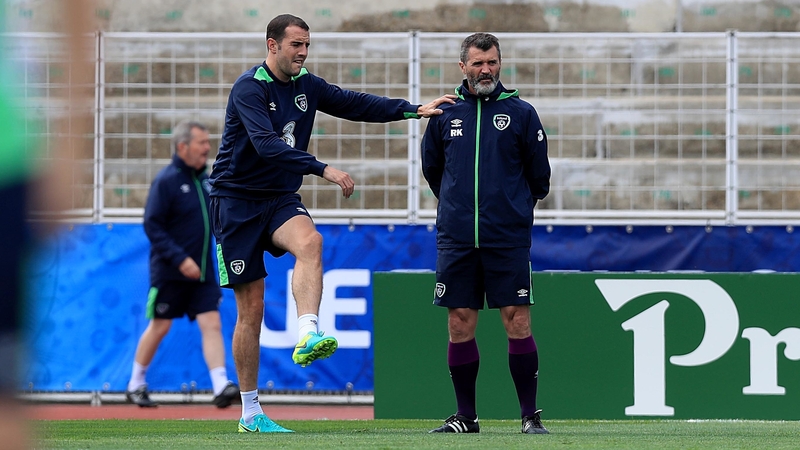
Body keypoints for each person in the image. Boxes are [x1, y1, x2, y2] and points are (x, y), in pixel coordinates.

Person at [209, 13, 456, 433]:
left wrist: (413, 110)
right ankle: (251, 412)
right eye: (295, 45)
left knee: (311, 243)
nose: (303, 53)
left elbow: (353, 102)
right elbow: (267, 145)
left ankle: (308, 331)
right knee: (251, 312)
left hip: (279, 198)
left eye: (307, 45)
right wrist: (324, 169)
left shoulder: (307, 84)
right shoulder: (248, 88)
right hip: (234, 204)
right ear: (272, 45)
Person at [421, 32, 552, 435]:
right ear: (463, 67)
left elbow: (539, 178)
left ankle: (530, 416)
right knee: (459, 323)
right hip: (457, 238)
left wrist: (510, 211)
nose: (486, 70)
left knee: (517, 321)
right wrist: (459, 209)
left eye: (492, 62)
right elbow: (433, 170)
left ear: (500, 63)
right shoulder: (446, 114)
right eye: (478, 63)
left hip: (507, 238)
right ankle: (466, 417)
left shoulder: (521, 113)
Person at [125, 121, 239, 409]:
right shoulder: (166, 181)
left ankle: (220, 385)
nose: (207, 147)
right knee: (160, 326)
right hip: (170, 272)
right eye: (201, 142)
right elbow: (153, 226)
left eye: (207, 142)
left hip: (203, 271)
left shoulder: (206, 180)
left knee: (211, 323)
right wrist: (180, 259)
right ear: (182, 146)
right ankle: (135, 383)